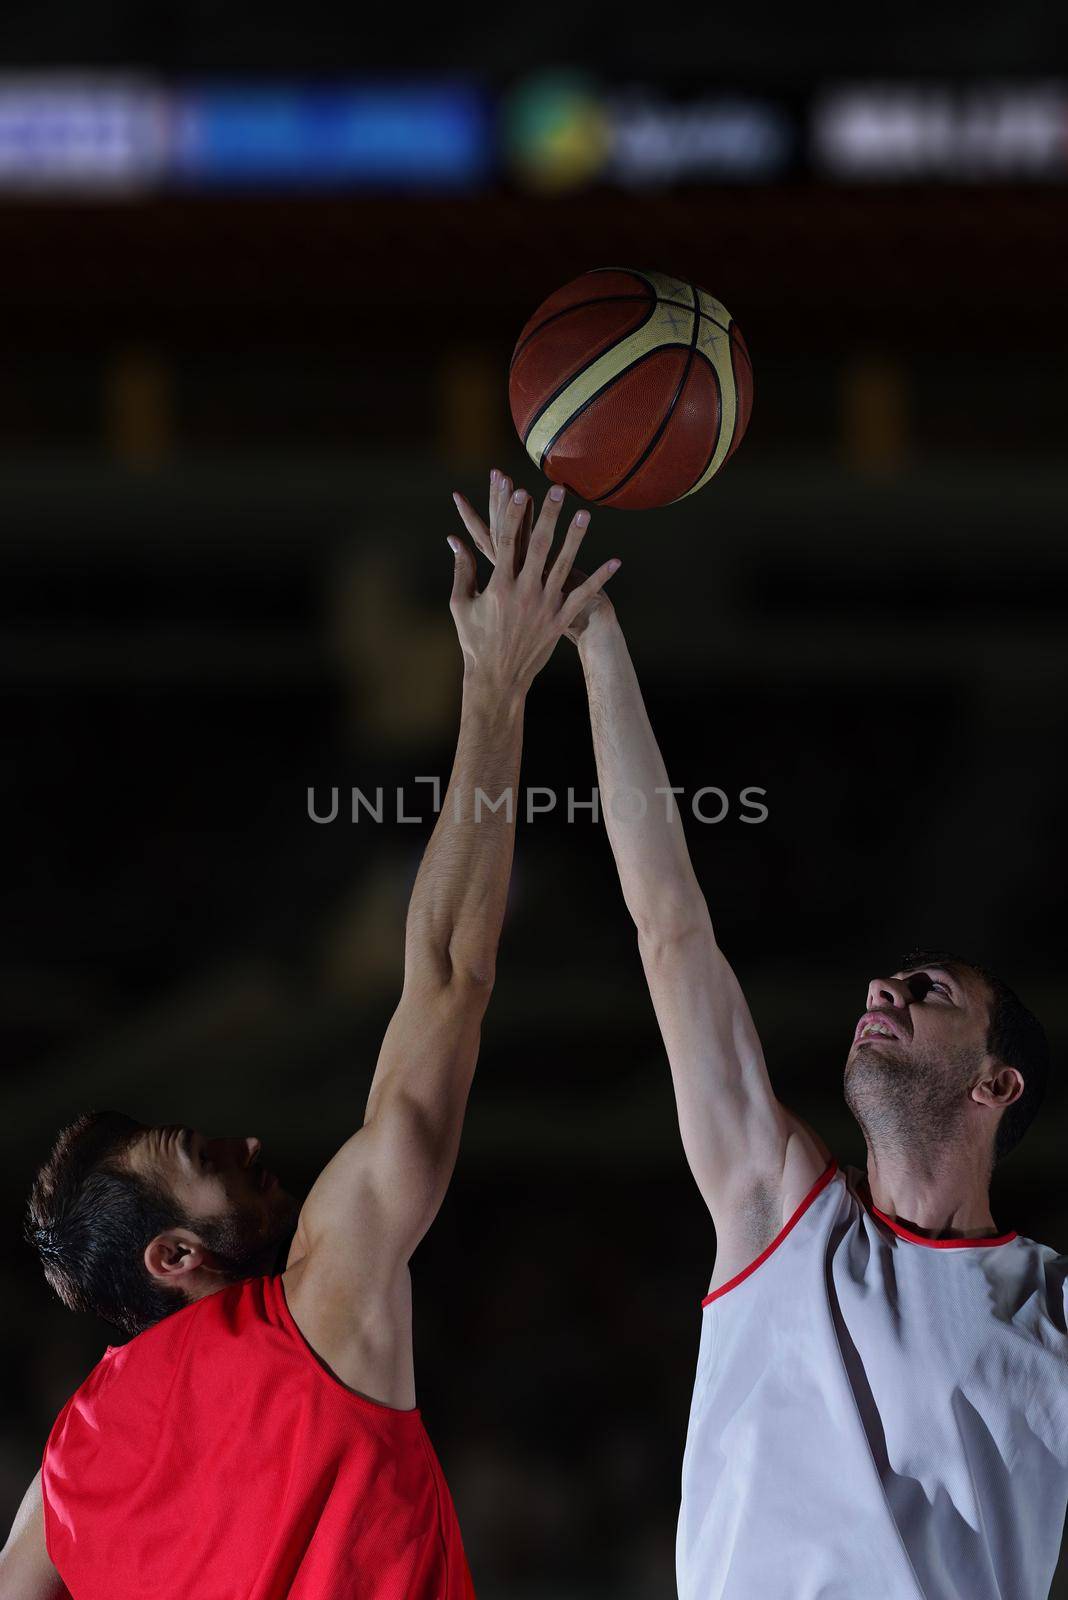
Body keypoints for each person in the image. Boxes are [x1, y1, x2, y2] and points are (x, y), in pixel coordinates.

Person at [454, 469, 1068, 1600]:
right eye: (890, 977)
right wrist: (594, 641)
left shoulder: (1052, 1305)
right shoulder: (780, 1216)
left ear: (996, 1082)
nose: (885, 986)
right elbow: (672, 928)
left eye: (929, 989)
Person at [1, 482, 618, 1600]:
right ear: (174, 1258)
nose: (242, 1143)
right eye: (204, 1159)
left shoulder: (71, 1454)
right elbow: (444, 980)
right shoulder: (319, 1304)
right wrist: (495, 685)